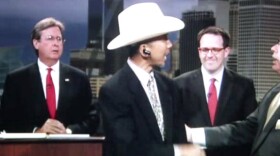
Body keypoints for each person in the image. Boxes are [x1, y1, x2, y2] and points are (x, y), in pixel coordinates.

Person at [98, 2, 205, 156]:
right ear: (145, 49)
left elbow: (178, 135)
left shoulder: (169, 86)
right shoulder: (114, 91)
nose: (170, 44)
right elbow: (126, 149)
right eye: (164, 39)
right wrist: (178, 152)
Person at [0, 17, 99, 135]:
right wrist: (36, 131)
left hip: (70, 149)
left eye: (59, 39)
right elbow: (7, 119)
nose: (56, 43)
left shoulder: (79, 78)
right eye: (50, 38)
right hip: (29, 150)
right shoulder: (16, 79)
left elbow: (92, 118)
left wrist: (68, 131)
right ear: (36, 43)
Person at [174, 26, 258, 156]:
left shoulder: (244, 85)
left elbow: (249, 130)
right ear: (199, 51)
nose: (209, 55)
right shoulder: (179, 84)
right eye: (205, 49)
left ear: (226, 51)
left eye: (215, 50)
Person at [187, 39, 280, 156]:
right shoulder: (275, 92)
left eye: (279, 44)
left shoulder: (244, 85)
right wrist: (191, 134)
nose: (273, 48)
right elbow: (248, 128)